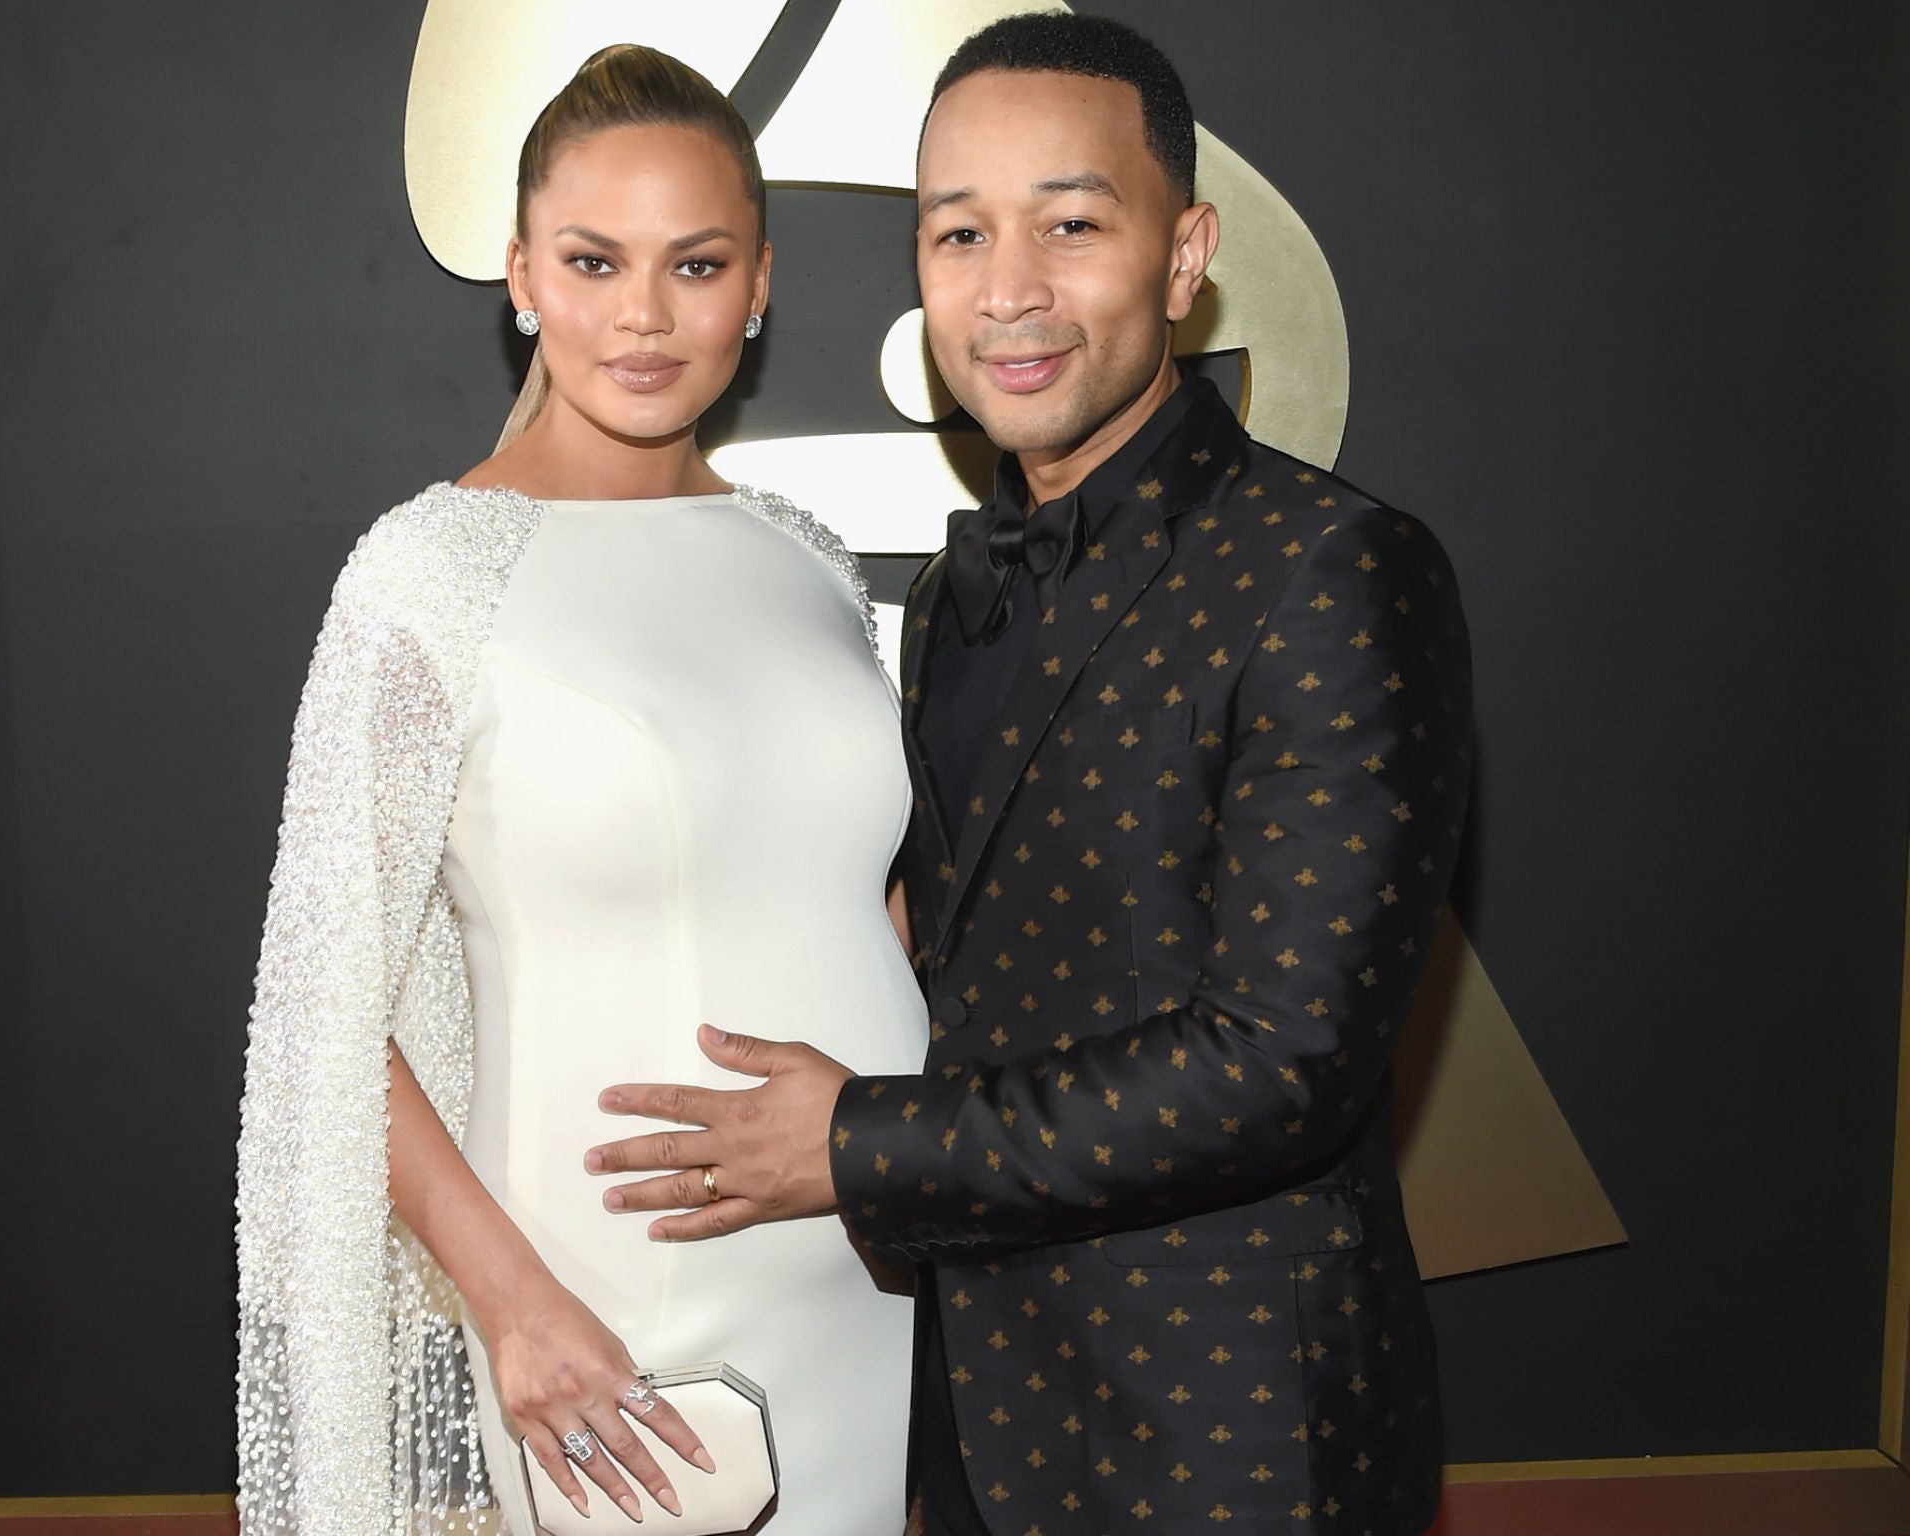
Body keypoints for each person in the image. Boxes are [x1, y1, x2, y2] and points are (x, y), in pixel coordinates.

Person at [586, 14, 1472, 1534]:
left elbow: (1284, 1063)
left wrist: (854, 1141)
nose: (1009, 291)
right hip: (967, 1417)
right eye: (959, 233)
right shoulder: (951, 598)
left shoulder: (1332, 570)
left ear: (1185, 256)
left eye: (1071, 224)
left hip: (1234, 1436)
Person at [233, 44, 925, 1536]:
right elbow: (323, 1021)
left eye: (696, 263)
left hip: (868, 1267)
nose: (645, 313)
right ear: (520, 276)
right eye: (594, 260)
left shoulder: (801, 554)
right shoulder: (429, 575)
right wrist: (515, 1306)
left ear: (757, 285)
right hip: (610, 1303)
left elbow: (860, 895)